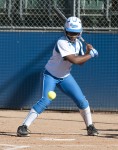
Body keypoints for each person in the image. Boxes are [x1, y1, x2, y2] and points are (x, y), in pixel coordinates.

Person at [17, 16, 99, 137]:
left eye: (75, 33)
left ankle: (90, 127)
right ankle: (23, 127)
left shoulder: (78, 44)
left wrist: (87, 53)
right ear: (65, 31)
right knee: (46, 100)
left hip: (65, 77)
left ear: (80, 32)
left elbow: (81, 62)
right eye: (70, 32)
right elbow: (74, 60)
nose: (73, 35)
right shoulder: (61, 42)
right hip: (50, 75)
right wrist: (91, 55)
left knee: (82, 100)